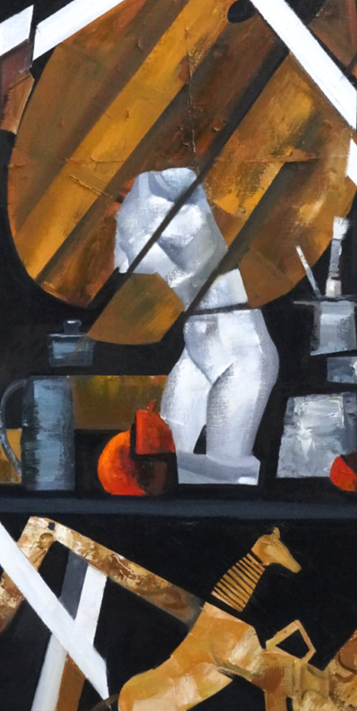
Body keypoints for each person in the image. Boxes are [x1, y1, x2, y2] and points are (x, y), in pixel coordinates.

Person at [114, 168, 279, 485]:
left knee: (226, 474)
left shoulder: (181, 189)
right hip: (198, 346)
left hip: (242, 350)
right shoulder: (145, 196)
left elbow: (146, 256)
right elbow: (131, 261)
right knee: (162, 464)